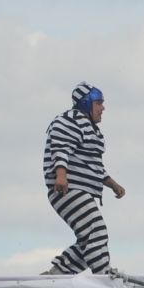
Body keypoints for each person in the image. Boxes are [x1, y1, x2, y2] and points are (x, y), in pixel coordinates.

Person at [42, 82, 125, 275]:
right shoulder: (71, 120)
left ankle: (59, 273)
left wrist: (113, 184)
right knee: (97, 230)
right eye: (99, 103)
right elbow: (61, 147)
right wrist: (61, 175)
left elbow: (93, 165)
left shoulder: (91, 129)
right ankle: (104, 274)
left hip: (79, 189)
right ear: (87, 103)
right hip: (67, 188)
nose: (103, 108)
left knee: (88, 239)